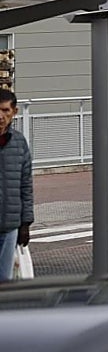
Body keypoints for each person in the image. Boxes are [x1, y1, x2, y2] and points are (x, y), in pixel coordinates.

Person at [0, 90, 32, 283]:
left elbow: (26, 184)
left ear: (14, 111)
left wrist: (25, 223)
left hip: (10, 225)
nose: (0, 116)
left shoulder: (19, 142)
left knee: (5, 280)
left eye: (5, 110)